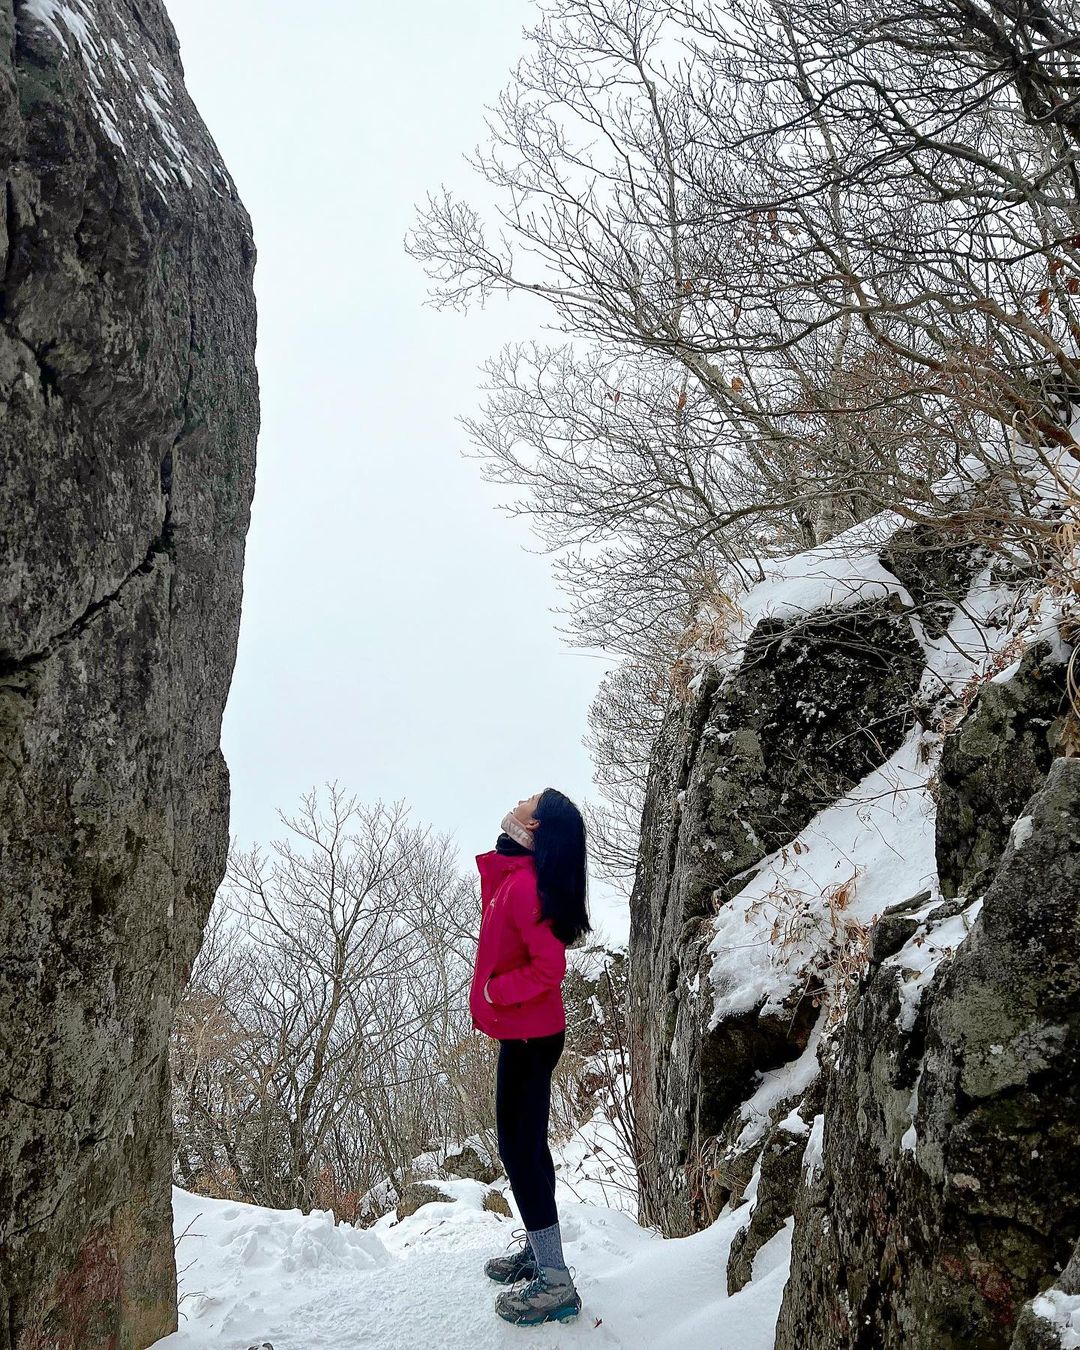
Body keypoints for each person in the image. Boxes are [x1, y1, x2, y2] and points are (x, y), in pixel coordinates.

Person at [469, 788, 591, 1327]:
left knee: (521, 1154)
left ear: (536, 827)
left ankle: (556, 1282)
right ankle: (543, 1256)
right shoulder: (517, 876)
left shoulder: (527, 889)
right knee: (523, 1149)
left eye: (529, 801)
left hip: (530, 1036)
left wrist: (497, 993)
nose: (518, 800)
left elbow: (549, 968)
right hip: (525, 1033)